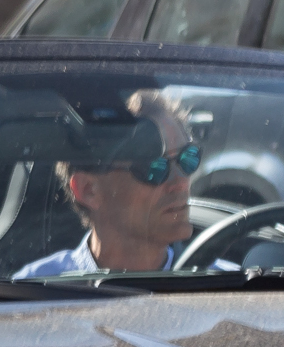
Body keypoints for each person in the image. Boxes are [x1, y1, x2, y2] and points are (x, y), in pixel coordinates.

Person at [15, 90, 202, 277]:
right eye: (154, 168)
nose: (181, 182)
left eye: (188, 158)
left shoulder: (225, 286)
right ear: (88, 190)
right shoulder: (32, 294)